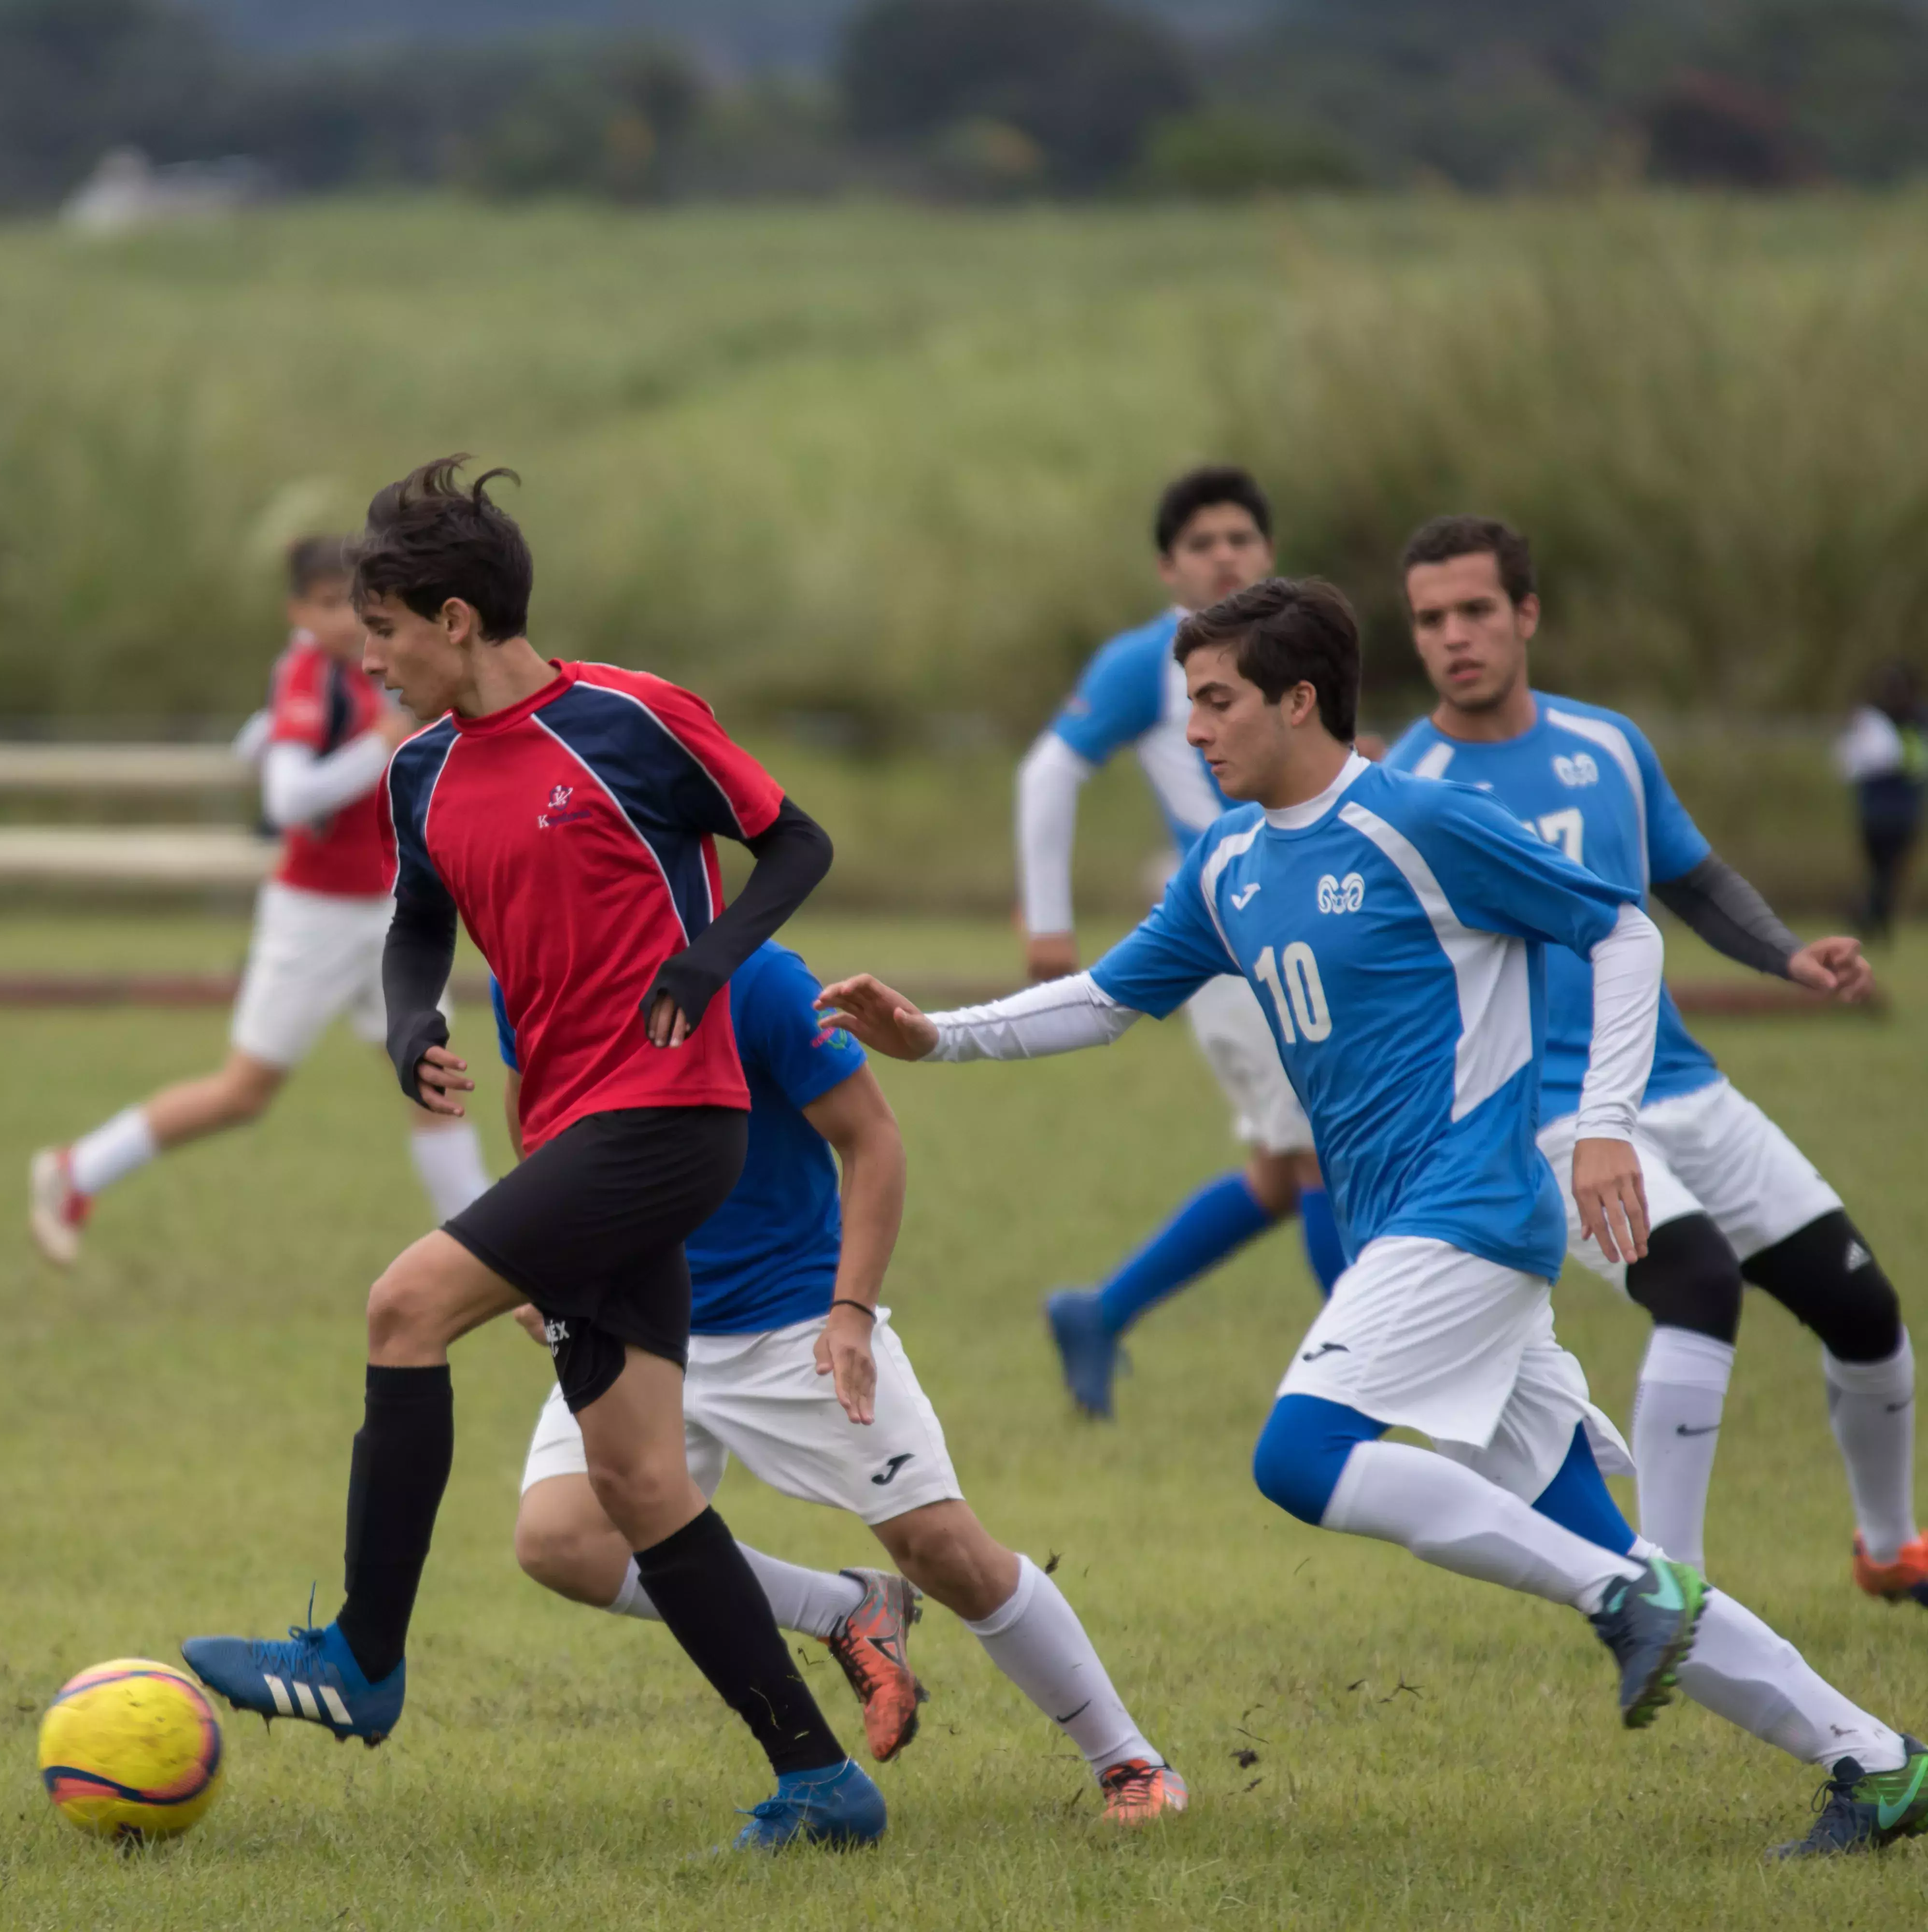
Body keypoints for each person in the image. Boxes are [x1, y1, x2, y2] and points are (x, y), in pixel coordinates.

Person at [821, 577, 1925, 1859]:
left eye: (1219, 702)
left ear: (1301, 701)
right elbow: (1111, 999)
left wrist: (1609, 1120)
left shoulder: (1417, 821)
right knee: (1593, 1542)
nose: (1195, 731)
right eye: (1189, 705)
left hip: (1472, 1212)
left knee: (1300, 1458)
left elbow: (1621, 932)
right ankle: (1878, 1758)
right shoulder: (1228, 862)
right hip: (1411, 1224)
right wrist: (932, 1037)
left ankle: (1631, 1595)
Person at [181, 458, 888, 1853]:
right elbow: (413, 933)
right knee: (637, 1481)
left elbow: (795, 842)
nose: (363, 656)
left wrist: (713, 950)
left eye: (379, 630)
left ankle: (363, 1662)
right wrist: (404, 1032)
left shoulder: (631, 721)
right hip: (570, 1128)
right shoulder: (424, 772)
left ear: (455, 619)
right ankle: (822, 1781)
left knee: (403, 1307)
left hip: (675, 1119)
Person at [500, 942, 1188, 1822]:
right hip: (633, 1318)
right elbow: (542, 1133)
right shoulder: (534, 960)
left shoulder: (755, 979)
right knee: (560, 1540)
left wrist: (851, 1311)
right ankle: (843, 1610)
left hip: (790, 1320)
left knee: (946, 1552)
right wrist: (543, 1260)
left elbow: (872, 1138)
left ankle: (1132, 1763)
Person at [1387, 516, 1915, 1597]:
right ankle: (1671, 1586)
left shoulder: (1609, 748)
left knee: (1866, 1312)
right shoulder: (1408, 787)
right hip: (1548, 1117)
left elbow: (1693, 879)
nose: (1456, 636)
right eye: (1431, 619)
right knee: (1698, 1280)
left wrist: (1788, 957)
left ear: (1526, 614)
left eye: (1477, 610)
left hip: (1682, 1085)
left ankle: (1888, 1543)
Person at [30, 537, 491, 1263]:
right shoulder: (310, 672)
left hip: (388, 908)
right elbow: (288, 795)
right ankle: (74, 1170)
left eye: (362, 602)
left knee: (430, 1078)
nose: (351, 617)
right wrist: (377, 749)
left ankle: (490, 1251)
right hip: (315, 915)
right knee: (244, 1093)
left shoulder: (360, 669)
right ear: (299, 611)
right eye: (333, 603)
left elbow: (262, 744)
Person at [1016, 467, 1342, 1420]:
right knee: (1324, 1156)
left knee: (1282, 1173)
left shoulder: (1300, 651)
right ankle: (1366, 1378)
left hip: (1313, 929)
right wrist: (1048, 923)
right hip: (1238, 940)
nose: (1226, 554)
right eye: (1203, 543)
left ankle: (1100, 1309)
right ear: (1169, 567)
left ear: (1269, 552)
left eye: (1241, 536)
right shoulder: (1148, 661)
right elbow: (1049, 771)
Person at [1835, 661, 1924, 938]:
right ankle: (1872, 919)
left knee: (1885, 873)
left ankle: (1873, 920)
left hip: (1893, 812)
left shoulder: (1884, 721)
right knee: (1884, 872)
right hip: (1884, 813)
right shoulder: (1876, 721)